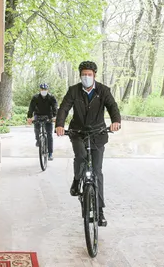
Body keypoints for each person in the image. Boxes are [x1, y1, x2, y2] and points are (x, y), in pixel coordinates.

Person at [55, 61, 121, 226]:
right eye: (84, 74)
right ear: (80, 75)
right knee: (81, 156)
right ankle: (77, 180)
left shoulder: (103, 90)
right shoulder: (73, 91)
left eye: (89, 74)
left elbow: (113, 106)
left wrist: (116, 121)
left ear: (94, 75)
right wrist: (60, 125)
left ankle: (100, 211)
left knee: (97, 171)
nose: (86, 77)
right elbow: (64, 108)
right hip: (78, 132)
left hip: (98, 133)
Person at [27, 83, 58, 161]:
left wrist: (55, 116)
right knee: (37, 129)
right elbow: (31, 108)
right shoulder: (35, 97)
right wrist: (29, 117)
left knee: (49, 134)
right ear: (40, 90)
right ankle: (38, 140)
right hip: (38, 115)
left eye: (45, 90)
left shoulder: (51, 97)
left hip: (48, 116)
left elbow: (55, 107)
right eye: (42, 90)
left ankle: (50, 153)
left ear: (47, 90)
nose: (43, 91)